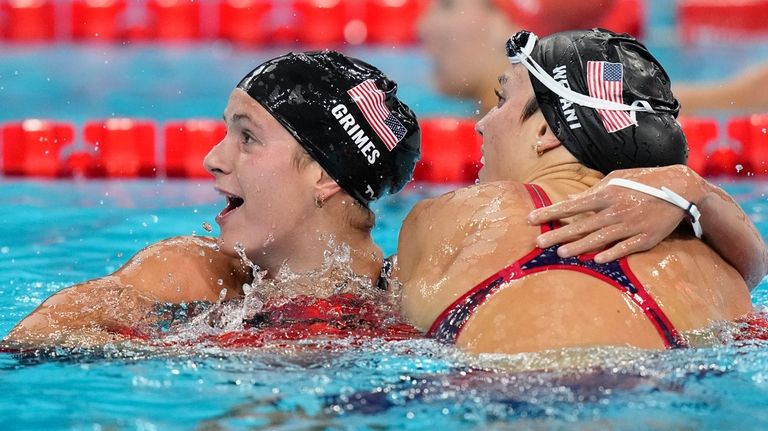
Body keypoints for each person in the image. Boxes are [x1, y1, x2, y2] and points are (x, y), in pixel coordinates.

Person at [3, 51, 422, 349]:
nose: (212, 160)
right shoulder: (192, 273)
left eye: (248, 138)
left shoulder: (413, 292)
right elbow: (37, 337)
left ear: (325, 174)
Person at [396, 29, 767, 354]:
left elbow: (365, 316)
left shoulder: (455, 217)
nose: (481, 124)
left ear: (546, 134)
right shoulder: (716, 273)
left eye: (501, 100)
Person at [419, 0, 768, 117]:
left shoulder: (576, 99)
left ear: (506, 24)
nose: (423, 25)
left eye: (448, 4)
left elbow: (743, 94)